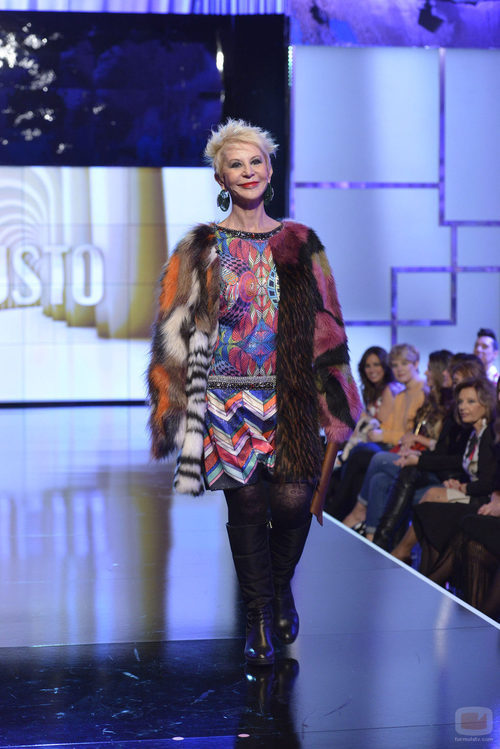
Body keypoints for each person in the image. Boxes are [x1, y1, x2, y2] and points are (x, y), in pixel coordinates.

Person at [147, 119, 362, 665]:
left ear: (269, 169)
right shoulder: (201, 245)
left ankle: (279, 587)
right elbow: (175, 328)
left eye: (256, 161)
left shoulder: (301, 242)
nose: (248, 171)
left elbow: (327, 323)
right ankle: (259, 614)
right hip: (226, 396)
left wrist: (335, 398)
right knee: (245, 502)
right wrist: (174, 404)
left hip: (290, 395)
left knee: (292, 504)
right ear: (221, 177)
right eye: (235, 164)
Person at [372, 354, 486, 551]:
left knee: (381, 460)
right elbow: (442, 451)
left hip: (457, 480)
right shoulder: (454, 411)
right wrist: (418, 457)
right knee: (380, 479)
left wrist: (420, 460)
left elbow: (463, 462)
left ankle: (387, 544)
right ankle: (377, 539)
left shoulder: (479, 425)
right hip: (442, 471)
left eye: (457, 381)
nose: (462, 404)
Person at [392, 376, 498, 563]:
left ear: (486, 404)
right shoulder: (473, 433)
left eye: (471, 401)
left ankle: (402, 551)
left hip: (485, 500)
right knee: (430, 497)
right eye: (460, 402)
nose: (463, 407)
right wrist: (457, 484)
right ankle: (409, 555)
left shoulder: (490, 434)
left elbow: (489, 482)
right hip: (473, 491)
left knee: (432, 495)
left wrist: (464, 488)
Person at [353, 349, 453, 541]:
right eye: (395, 365)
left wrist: (414, 443)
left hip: (430, 466)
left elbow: (439, 447)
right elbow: (405, 431)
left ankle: (359, 512)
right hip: (415, 455)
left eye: (429, 369)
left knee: (375, 457)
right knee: (378, 479)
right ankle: (373, 538)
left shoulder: (441, 402)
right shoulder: (428, 400)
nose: (425, 372)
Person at [340, 343, 426, 530]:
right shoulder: (402, 394)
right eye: (395, 365)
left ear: (416, 364)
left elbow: (411, 435)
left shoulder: (423, 392)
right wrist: (376, 430)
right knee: (369, 470)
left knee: (364, 455)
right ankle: (364, 527)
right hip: (394, 446)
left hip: (409, 452)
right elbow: (389, 427)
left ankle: (348, 511)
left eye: (404, 363)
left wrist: (382, 434)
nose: (399, 369)